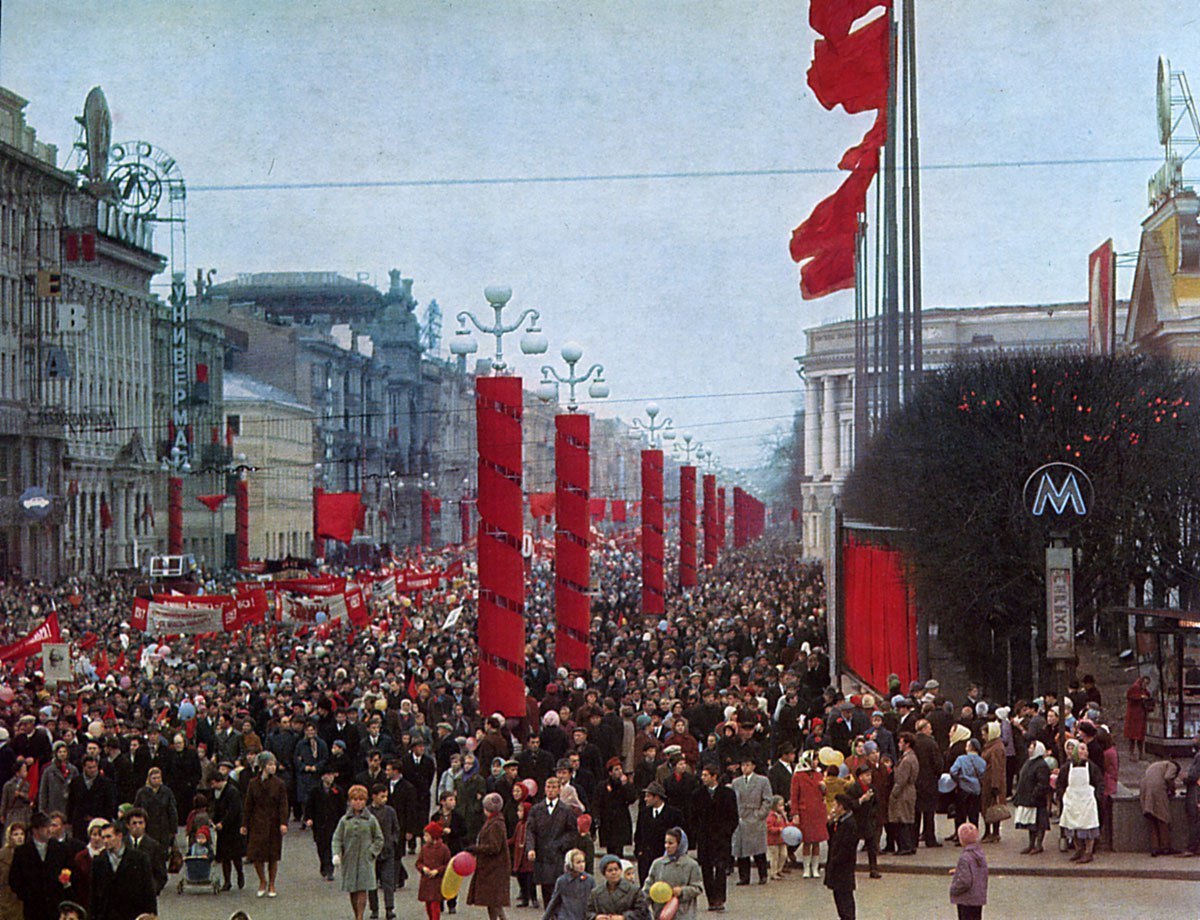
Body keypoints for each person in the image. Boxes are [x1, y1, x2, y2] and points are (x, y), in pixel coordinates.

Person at [333, 785, 385, 920]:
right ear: (350, 801)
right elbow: (337, 838)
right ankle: (356, 913)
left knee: (363, 888)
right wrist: (336, 854)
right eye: (355, 799)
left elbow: (379, 838)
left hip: (365, 859)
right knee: (352, 889)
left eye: (361, 800)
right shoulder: (344, 820)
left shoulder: (371, 820)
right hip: (349, 859)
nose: (358, 802)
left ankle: (360, 916)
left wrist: (372, 852)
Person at [689, 764, 736, 912]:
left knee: (721, 868)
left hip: (722, 838)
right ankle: (711, 899)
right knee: (707, 869)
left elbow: (733, 816)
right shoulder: (697, 794)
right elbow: (693, 817)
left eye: (706, 775)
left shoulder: (727, 793)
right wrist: (697, 834)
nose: (703, 778)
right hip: (705, 838)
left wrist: (727, 832)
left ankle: (720, 898)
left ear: (714, 776)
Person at [241, 751, 289, 898]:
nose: (273, 767)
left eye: (274, 764)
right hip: (257, 822)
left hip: (273, 823)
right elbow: (248, 805)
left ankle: (272, 883)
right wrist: (244, 824)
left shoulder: (279, 784)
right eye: (269, 764)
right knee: (257, 855)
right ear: (262, 766)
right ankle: (262, 881)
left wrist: (283, 823)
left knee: (273, 855)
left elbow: (283, 805)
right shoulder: (253, 784)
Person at [89, 820, 157, 920]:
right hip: (107, 915)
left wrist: (151, 914)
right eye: (103, 837)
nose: (105, 841)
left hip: (132, 914)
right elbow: (93, 894)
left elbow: (148, 889)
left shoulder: (139, 858)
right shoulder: (98, 861)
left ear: (119, 836)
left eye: (109, 837)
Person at [9, 812, 70, 920]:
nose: (49, 830)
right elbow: (14, 879)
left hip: (55, 906)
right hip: (33, 908)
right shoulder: (22, 852)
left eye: (50, 826)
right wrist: (27, 895)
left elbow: (68, 870)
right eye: (45, 827)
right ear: (35, 830)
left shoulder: (60, 849)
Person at [526, 776, 575, 910]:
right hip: (542, 856)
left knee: (558, 890)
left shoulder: (566, 810)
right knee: (546, 890)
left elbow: (572, 832)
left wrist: (561, 845)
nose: (551, 790)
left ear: (559, 790)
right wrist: (530, 848)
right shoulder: (536, 809)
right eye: (548, 787)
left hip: (557, 855)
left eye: (554, 787)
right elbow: (530, 830)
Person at [466, 792, 510, 920]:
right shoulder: (495, 821)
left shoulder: (495, 824)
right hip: (492, 867)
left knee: (494, 902)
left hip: (494, 868)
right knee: (493, 902)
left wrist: (476, 849)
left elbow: (494, 847)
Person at [1057, 739, 1102, 863]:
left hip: (1087, 801)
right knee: (1073, 827)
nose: (1084, 752)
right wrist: (1064, 796)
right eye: (1081, 749)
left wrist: (1097, 797)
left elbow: (1099, 783)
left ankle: (1088, 851)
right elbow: (1060, 783)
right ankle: (1079, 849)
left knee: (1088, 827)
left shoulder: (1092, 767)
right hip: (1072, 801)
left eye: (1085, 749)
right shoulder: (1067, 767)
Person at [642, 827, 701, 920]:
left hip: (683, 912)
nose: (667, 846)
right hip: (661, 912)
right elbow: (648, 887)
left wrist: (682, 891)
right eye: (665, 843)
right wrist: (641, 906)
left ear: (680, 844)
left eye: (671, 843)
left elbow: (698, 887)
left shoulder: (691, 865)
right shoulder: (658, 864)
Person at [730, 755, 771, 886]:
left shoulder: (762, 781)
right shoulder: (736, 782)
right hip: (741, 817)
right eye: (742, 765)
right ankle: (744, 877)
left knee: (758, 849)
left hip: (755, 816)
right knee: (742, 850)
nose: (744, 768)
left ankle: (763, 875)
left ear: (753, 766)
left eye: (747, 765)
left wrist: (760, 814)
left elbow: (768, 800)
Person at [634, 781, 682, 885]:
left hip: (665, 857)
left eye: (648, 796)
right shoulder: (644, 813)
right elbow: (638, 835)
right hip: (646, 859)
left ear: (657, 797)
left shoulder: (674, 814)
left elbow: (680, 837)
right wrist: (639, 852)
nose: (645, 799)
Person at [789, 750, 828, 878]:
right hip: (805, 811)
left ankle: (815, 868)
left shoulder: (819, 774)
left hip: (818, 811)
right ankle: (806, 868)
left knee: (817, 841)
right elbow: (794, 796)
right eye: (814, 759)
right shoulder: (798, 776)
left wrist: (823, 788)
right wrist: (795, 813)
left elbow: (825, 793)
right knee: (807, 841)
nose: (816, 762)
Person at [305, 767, 345, 882]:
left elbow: (342, 808)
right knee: (321, 846)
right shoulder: (315, 791)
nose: (330, 777)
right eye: (328, 775)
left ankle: (330, 869)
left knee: (331, 846)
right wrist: (308, 818)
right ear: (323, 777)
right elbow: (309, 806)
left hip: (333, 823)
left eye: (332, 775)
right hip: (319, 823)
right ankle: (324, 864)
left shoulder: (338, 791)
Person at [209, 766, 246, 890]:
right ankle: (227, 881)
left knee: (236, 856)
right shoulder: (217, 792)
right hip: (222, 829)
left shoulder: (232, 791)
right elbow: (216, 809)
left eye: (213, 783)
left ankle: (240, 875)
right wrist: (213, 820)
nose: (212, 786)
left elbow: (234, 810)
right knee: (225, 857)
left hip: (233, 828)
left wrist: (223, 822)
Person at [367, 784, 400, 920]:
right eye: (382, 796)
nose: (385, 799)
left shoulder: (390, 811)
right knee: (372, 882)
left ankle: (389, 908)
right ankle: (374, 909)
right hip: (372, 852)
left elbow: (396, 828)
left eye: (386, 796)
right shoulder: (367, 812)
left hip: (387, 851)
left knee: (388, 881)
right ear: (374, 796)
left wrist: (393, 840)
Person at [1012, 741, 1051, 855]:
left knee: (1039, 823)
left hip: (1036, 800)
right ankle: (1031, 844)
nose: (1029, 750)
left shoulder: (1041, 765)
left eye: (1032, 748)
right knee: (1031, 824)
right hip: (1027, 798)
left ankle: (1039, 845)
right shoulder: (1029, 762)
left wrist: (1035, 795)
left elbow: (1042, 783)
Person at [824, 794, 858, 920]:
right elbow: (831, 840)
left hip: (843, 866)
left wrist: (835, 859)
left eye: (835, 804)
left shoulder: (849, 824)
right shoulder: (840, 821)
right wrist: (830, 822)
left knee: (845, 897)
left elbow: (847, 847)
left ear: (841, 806)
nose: (833, 806)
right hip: (837, 864)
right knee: (838, 895)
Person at [1140, 759, 1181, 856]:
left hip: (1145, 788)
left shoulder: (1155, 764)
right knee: (1163, 818)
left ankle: (1154, 848)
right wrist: (1172, 789)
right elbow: (1168, 777)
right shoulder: (1171, 765)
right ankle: (1165, 846)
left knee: (1151, 818)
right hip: (1157, 789)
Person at [131, 768, 177, 852]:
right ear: (149, 779)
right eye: (154, 778)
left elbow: (172, 811)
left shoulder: (167, 792)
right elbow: (136, 810)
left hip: (163, 828)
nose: (156, 780)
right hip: (147, 827)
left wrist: (173, 829)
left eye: (158, 778)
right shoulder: (142, 793)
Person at [948, 822, 988, 920]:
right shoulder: (979, 854)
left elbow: (965, 881)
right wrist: (958, 871)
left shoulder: (965, 857)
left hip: (966, 899)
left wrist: (954, 889)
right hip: (978, 896)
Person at [888, 733, 918, 856]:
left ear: (907, 744)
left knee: (902, 819)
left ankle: (905, 846)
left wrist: (894, 794)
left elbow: (901, 780)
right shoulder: (912, 757)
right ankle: (909, 845)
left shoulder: (907, 760)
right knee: (907, 817)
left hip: (904, 792)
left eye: (901, 742)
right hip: (909, 790)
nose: (899, 745)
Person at [542, 847, 590, 920]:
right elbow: (554, 902)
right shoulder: (562, 881)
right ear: (570, 864)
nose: (581, 865)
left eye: (583, 861)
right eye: (578, 862)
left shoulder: (589, 880)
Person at [417, 821, 451, 920]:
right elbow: (418, 862)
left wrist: (438, 871)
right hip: (426, 881)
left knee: (435, 905)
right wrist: (423, 868)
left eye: (427, 836)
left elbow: (448, 865)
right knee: (428, 905)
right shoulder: (424, 848)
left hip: (437, 881)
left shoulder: (444, 849)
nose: (424, 838)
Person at [979, 723, 1007, 843]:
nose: (983, 736)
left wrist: (995, 785)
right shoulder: (992, 746)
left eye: (984, 734)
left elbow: (997, 767)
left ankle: (993, 833)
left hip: (992, 781)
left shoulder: (996, 748)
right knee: (988, 807)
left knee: (992, 807)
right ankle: (989, 832)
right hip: (988, 780)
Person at [0, 822, 25, 920]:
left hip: (22, 904)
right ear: (9, 836)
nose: (19, 837)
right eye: (16, 834)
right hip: (4, 903)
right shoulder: (1, 857)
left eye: (22, 834)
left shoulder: (29, 855)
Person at [1124, 675, 1153, 761]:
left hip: (1141, 716)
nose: (1146, 685)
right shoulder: (1135, 688)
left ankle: (1141, 753)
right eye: (1145, 683)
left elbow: (1148, 696)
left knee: (1140, 736)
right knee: (1132, 736)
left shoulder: (1143, 690)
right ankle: (1132, 754)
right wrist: (1140, 697)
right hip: (1133, 716)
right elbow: (1130, 696)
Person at [1183, 732, 1200, 857]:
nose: (1193, 739)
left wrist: (1185, 778)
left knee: (1195, 820)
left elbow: (1193, 776)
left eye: (1196, 738)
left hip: (1196, 792)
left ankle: (1192, 848)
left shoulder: (1199, 757)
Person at [764, 796, 788, 881]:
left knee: (783, 855)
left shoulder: (782, 816)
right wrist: (778, 829)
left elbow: (786, 825)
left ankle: (779, 870)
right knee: (774, 857)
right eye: (780, 805)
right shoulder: (772, 816)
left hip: (781, 840)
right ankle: (773, 872)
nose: (782, 807)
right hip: (773, 840)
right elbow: (768, 827)